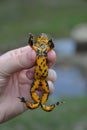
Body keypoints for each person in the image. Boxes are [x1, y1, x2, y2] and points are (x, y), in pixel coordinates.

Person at [0, 45, 57, 123]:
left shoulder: (45, 50)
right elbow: (32, 46)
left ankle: (41, 103)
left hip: (41, 76)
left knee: (45, 90)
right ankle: (38, 103)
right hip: (37, 76)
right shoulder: (35, 50)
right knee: (38, 89)